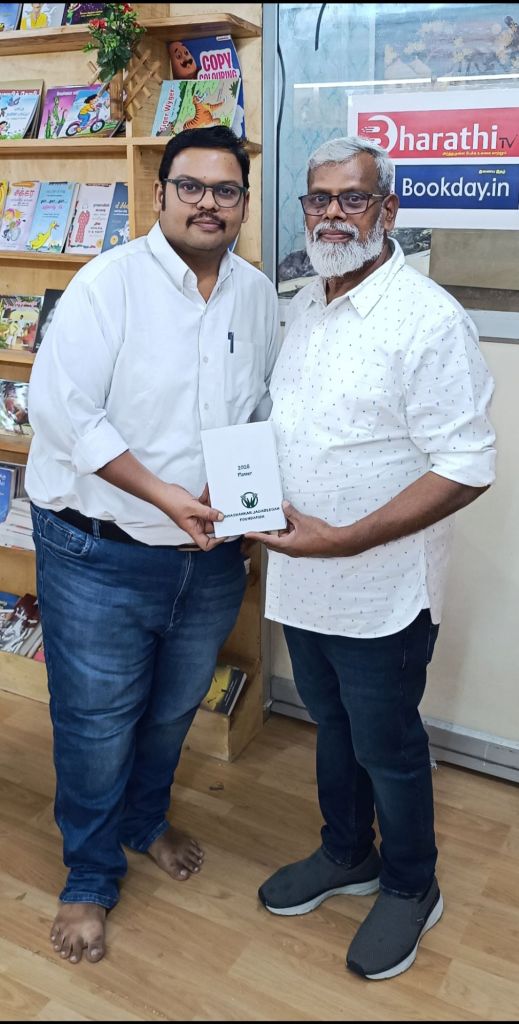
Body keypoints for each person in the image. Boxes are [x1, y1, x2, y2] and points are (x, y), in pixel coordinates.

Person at [26, 126, 279, 965]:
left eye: (225, 190)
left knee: (172, 709)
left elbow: (253, 413)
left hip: (207, 556)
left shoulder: (254, 295)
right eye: (191, 187)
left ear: (243, 203)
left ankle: (143, 821)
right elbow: (63, 411)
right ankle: (89, 875)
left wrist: (244, 508)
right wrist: (165, 495)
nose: (208, 203)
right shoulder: (107, 285)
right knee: (97, 724)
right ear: (160, 193)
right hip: (99, 552)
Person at [248, 135, 495, 981]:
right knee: (330, 724)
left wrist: (347, 537)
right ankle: (346, 851)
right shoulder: (305, 304)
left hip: (380, 587)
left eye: (351, 198)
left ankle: (410, 883)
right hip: (303, 577)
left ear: (386, 210)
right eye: (317, 199)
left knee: (386, 742)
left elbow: (465, 465)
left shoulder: (426, 319)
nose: (331, 215)